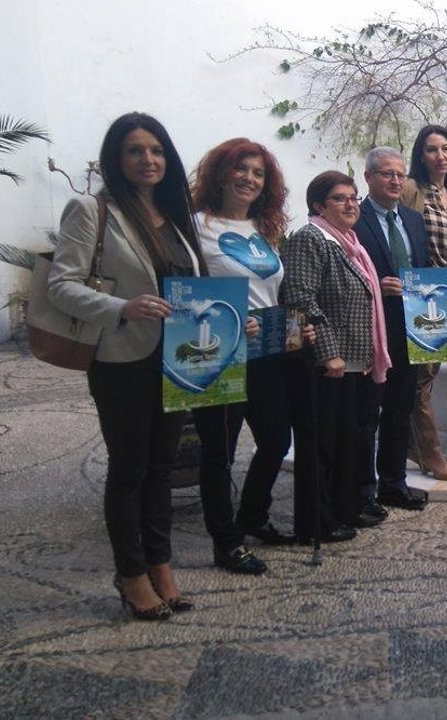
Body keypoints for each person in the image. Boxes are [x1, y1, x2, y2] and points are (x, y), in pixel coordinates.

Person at [48, 112, 205, 620]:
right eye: (135, 150)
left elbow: (191, 290)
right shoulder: (92, 211)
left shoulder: (178, 219)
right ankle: (131, 573)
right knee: (129, 469)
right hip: (122, 360)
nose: (148, 160)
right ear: (117, 158)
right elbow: (61, 284)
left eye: (156, 150)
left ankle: (161, 567)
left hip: (176, 360)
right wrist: (121, 308)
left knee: (163, 467)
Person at [188, 138, 301, 574]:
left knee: (276, 438)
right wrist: (229, 318)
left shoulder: (262, 230)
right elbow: (181, 291)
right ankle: (225, 540)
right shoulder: (196, 226)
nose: (249, 179)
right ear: (220, 173)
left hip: (268, 351)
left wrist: (295, 330)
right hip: (219, 349)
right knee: (219, 450)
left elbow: (272, 292)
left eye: (258, 173)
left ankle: (252, 515)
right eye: (241, 169)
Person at [280, 171, 392, 544]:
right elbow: (300, 298)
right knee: (322, 447)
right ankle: (316, 523)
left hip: (355, 364)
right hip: (327, 364)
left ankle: (342, 511)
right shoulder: (310, 239)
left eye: (353, 197)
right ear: (318, 205)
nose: (350, 204)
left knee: (345, 443)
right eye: (340, 198)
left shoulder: (350, 243)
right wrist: (329, 353)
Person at [353, 146, 432, 513]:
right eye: (387, 173)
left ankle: (393, 484)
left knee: (401, 410)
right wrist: (375, 286)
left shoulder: (415, 221)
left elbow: (425, 273)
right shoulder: (354, 217)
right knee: (367, 414)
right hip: (370, 331)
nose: (396, 180)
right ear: (368, 177)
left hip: (409, 330)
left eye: (400, 174)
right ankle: (362, 492)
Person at [399, 125, 447, 481]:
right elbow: (396, 236)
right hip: (419, 294)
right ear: (420, 156)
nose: (440, 156)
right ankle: (430, 455)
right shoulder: (410, 189)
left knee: (429, 375)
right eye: (431, 150)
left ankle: (412, 448)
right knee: (421, 381)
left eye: (446, 149)